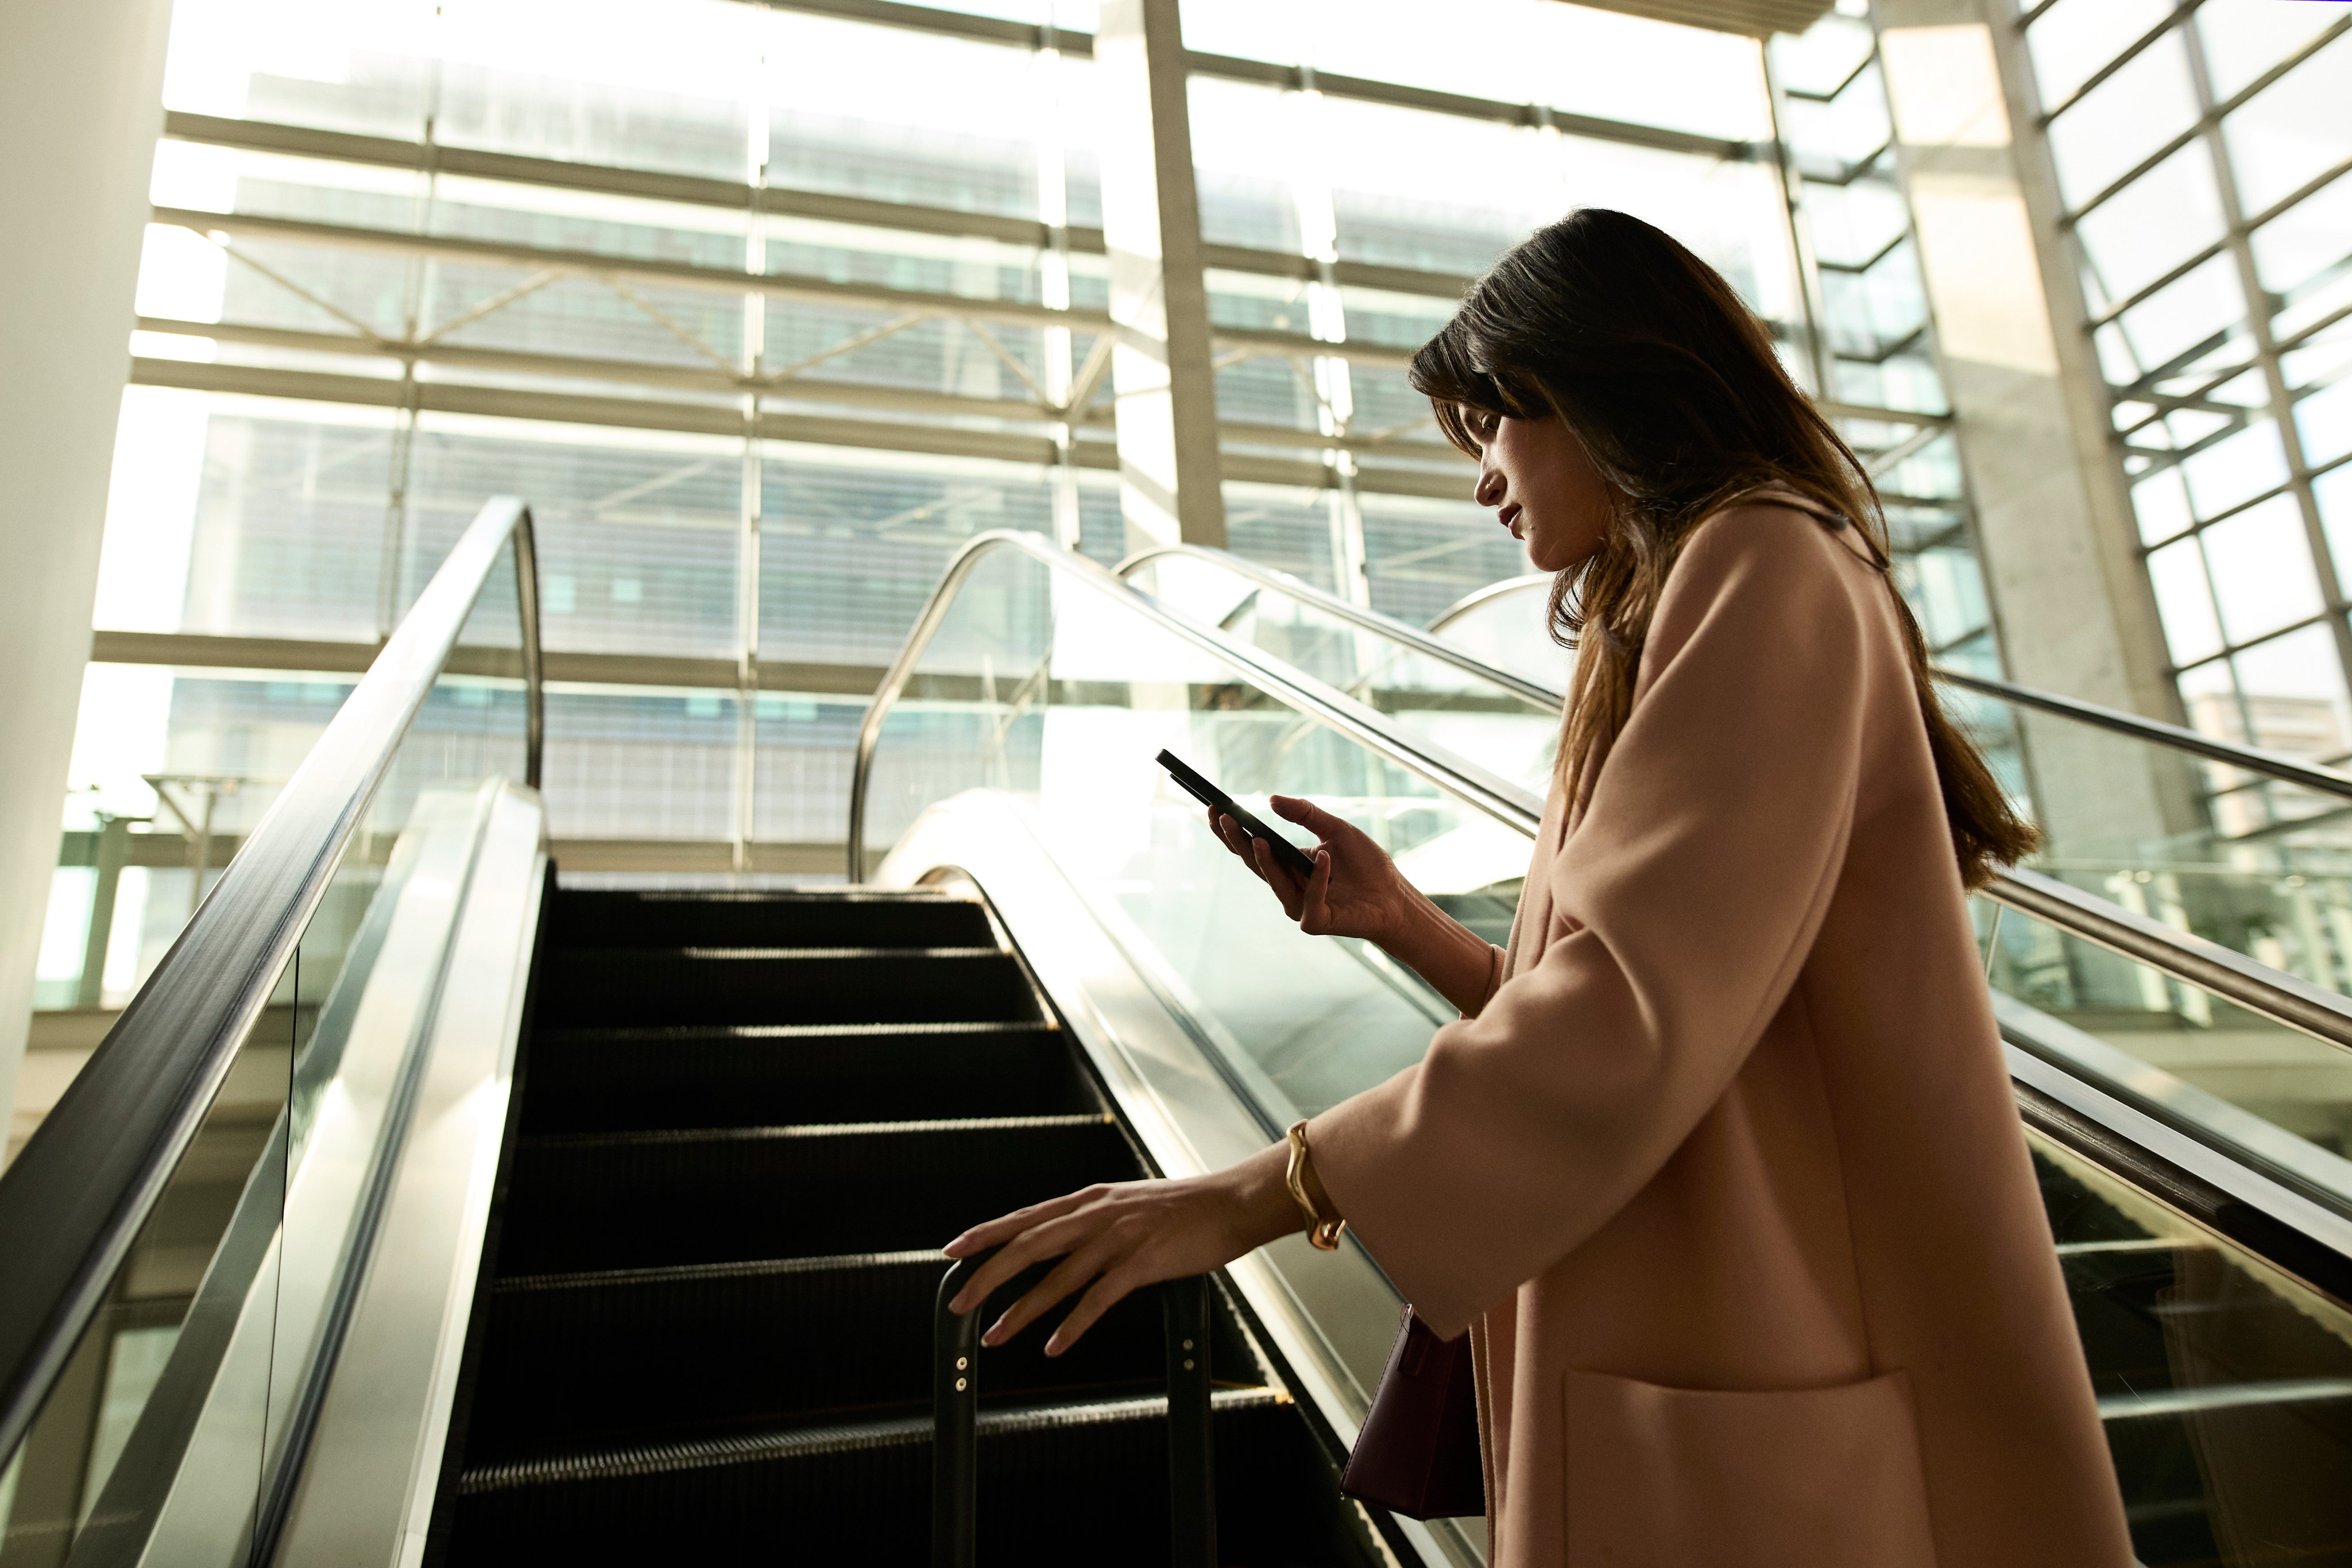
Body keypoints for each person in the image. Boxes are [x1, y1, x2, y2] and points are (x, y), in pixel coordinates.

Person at [941, 208, 2133, 1567]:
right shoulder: (1666, 610)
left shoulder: (1764, 563)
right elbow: (1650, 999)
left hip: (1763, 1344)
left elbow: (1630, 1017)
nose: (1482, 482)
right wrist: (1402, 924)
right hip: (1714, 1331)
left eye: (1490, 429)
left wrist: (1241, 1199)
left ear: (1580, 392)